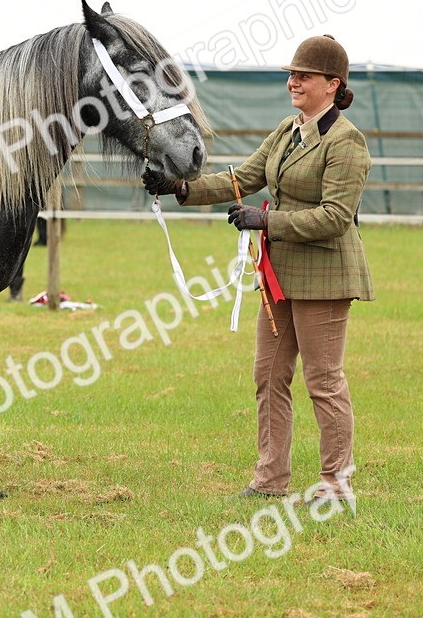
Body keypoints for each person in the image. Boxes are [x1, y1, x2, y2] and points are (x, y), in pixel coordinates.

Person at [143, 34, 373, 504]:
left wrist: (266, 220)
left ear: (332, 85)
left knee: (323, 382)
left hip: (326, 275)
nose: (293, 82)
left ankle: (336, 484)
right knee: (268, 376)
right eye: (291, 74)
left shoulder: (347, 142)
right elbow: (241, 179)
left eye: (303, 76)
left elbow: (335, 217)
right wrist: (178, 186)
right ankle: (270, 479)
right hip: (279, 276)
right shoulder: (287, 130)